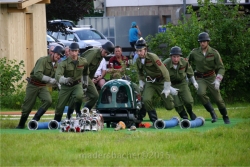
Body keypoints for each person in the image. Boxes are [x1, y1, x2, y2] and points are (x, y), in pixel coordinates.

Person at [16, 45, 64, 129]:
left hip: (42, 86)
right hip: (33, 85)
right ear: (52, 53)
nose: (58, 56)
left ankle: (35, 120)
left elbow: (56, 76)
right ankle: (21, 125)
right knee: (27, 107)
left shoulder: (56, 64)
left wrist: (59, 83)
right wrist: (50, 80)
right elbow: (37, 74)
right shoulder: (43, 60)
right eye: (57, 54)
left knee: (48, 100)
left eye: (60, 56)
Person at [187, 32, 230, 124]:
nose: (202, 43)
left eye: (204, 41)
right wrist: (189, 75)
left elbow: (221, 67)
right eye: (200, 42)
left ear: (208, 42)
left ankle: (225, 116)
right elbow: (186, 63)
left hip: (211, 77)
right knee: (200, 93)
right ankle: (212, 113)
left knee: (218, 99)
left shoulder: (214, 53)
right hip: (200, 77)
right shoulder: (194, 52)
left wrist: (218, 80)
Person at [135, 37, 174, 125]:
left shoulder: (153, 57)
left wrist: (167, 87)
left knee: (169, 106)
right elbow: (140, 73)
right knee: (146, 100)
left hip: (160, 81)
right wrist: (141, 82)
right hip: (150, 82)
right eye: (137, 51)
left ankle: (173, 96)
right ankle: (154, 120)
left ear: (145, 49)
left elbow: (165, 71)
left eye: (140, 50)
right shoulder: (138, 60)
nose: (139, 53)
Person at [53, 42, 89, 122]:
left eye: (75, 51)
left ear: (78, 51)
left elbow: (85, 73)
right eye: (72, 51)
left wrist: (85, 84)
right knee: (60, 106)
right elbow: (57, 75)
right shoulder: (63, 63)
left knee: (79, 96)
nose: (73, 53)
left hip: (77, 84)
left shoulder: (83, 61)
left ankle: (77, 112)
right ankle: (56, 121)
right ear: (69, 51)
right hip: (66, 86)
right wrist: (65, 80)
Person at [163, 46, 198, 120]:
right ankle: (184, 115)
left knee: (189, 101)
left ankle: (190, 112)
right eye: (174, 57)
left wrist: (194, 82)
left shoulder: (184, 62)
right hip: (171, 84)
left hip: (182, 83)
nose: (176, 59)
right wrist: (169, 88)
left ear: (180, 56)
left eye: (177, 57)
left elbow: (190, 73)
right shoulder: (165, 64)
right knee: (177, 103)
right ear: (170, 56)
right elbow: (162, 78)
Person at [80, 41, 115, 110]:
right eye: (105, 52)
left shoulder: (100, 56)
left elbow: (92, 70)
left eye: (107, 53)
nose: (106, 54)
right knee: (79, 95)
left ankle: (85, 111)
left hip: (87, 77)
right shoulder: (93, 52)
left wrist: (91, 78)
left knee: (95, 96)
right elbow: (82, 66)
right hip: (81, 75)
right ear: (102, 48)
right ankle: (77, 112)